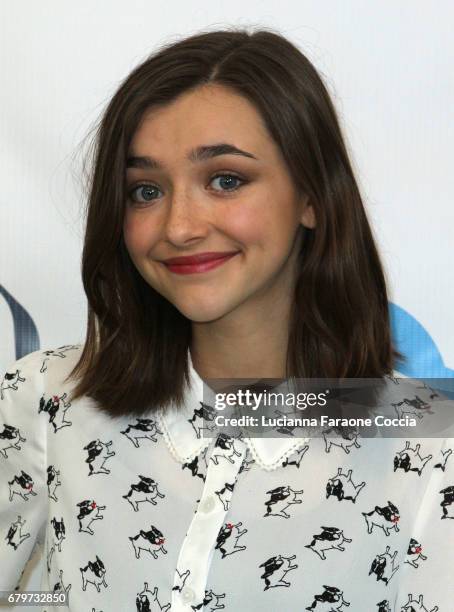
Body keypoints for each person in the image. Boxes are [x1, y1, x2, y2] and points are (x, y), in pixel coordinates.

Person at [1, 27, 453, 612]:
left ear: (312, 196)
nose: (180, 226)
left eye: (226, 180)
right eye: (144, 191)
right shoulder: (45, 400)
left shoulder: (431, 447)